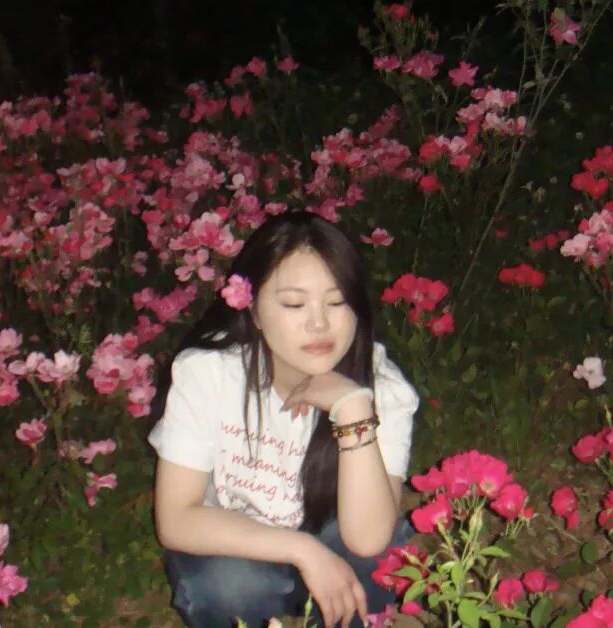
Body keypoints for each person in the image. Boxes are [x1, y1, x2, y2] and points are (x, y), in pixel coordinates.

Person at [148, 211, 419, 628]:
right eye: (294, 303)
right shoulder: (209, 374)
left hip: (335, 533)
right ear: (254, 310)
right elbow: (177, 519)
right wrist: (302, 550)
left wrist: (352, 409)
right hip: (239, 545)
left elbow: (368, 540)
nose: (319, 323)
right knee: (226, 587)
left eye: (336, 302)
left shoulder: (383, 389)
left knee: (380, 559)